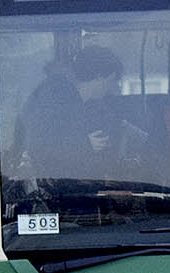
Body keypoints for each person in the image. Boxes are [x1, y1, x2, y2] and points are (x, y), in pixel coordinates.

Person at [22, 45, 129, 182]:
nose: (112, 87)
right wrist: (83, 143)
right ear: (99, 76)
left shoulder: (91, 106)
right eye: (111, 80)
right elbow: (39, 145)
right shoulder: (54, 99)